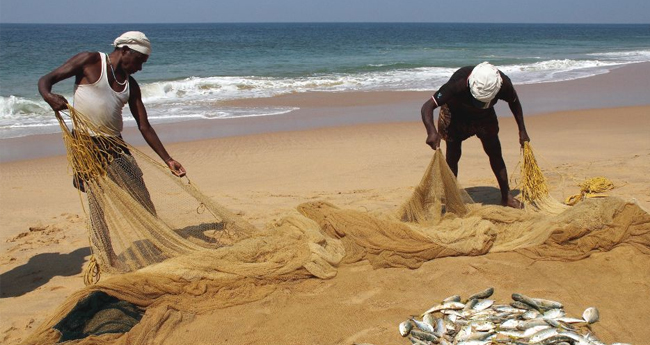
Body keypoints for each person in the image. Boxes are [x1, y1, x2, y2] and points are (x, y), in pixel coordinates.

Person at [38, 31, 186, 269]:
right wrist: (48, 96)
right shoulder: (89, 60)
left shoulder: (130, 85)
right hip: (85, 146)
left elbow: (144, 125)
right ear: (125, 50)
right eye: (139, 61)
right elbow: (46, 80)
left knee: (140, 193)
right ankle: (107, 257)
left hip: (115, 146)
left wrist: (168, 159)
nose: (140, 67)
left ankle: (160, 241)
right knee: (97, 203)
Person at [421, 62, 530, 208]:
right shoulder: (458, 82)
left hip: (484, 117)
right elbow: (428, 106)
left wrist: (522, 130)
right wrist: (431, 131)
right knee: (453, 156)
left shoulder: (503, 84)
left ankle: (506, 197)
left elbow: (515, 103)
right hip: (455, 116)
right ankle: (451, 199)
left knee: (495, 152)